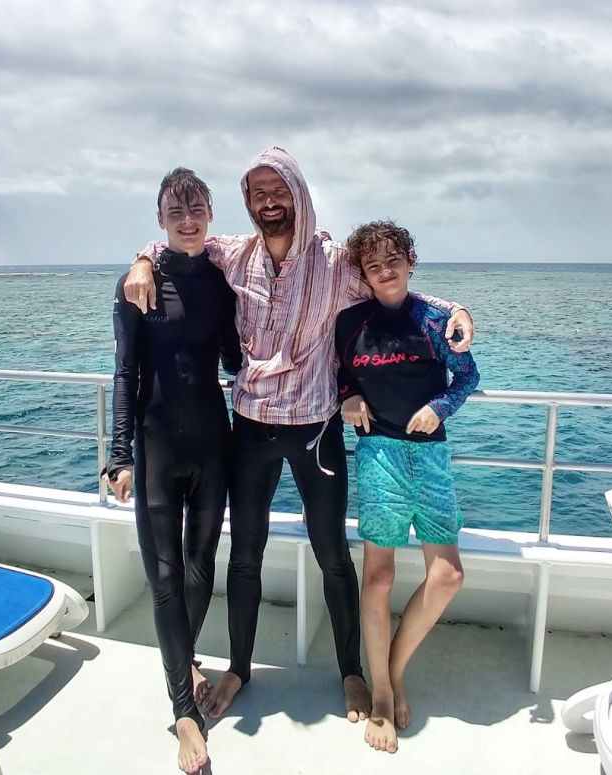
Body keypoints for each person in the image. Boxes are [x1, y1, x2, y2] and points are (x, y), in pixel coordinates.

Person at [123, 147, 475, 722]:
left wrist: (453, 307)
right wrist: (141, 259)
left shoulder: (336, 263)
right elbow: (176, 246)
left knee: (334, 555)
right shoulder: (234, 255)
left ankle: (352, 672)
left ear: (299, 194)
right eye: (257, 192)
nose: (268, 201)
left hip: (316, 430)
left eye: (278, 189)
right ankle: (238, 668)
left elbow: (395, 294)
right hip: (252, 429)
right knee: (245, 557)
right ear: (245, 203)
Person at [102, 167, 241, 775]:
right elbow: (125, 372)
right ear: (160, 219)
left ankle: (182, 659)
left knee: (201, 567)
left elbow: (236, 356)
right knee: (163, 577)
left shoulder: (223, 277)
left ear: (210, 214)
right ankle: (185, 712)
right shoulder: (138, 283)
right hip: (157, 445)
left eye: (197, 210)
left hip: (214, 441)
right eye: (176, 212)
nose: (188, 220)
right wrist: (119, 453)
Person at [335, 220, 479, 753]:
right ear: (364, 274)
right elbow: (337, 375)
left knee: (447, 576)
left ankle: (392, 669)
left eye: (394, 260)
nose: (385, 270)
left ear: (409, 261)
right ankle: (379, 694)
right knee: (379, 578)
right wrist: (347, 396)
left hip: (431, 455)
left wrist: (436, 407)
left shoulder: (437, 319)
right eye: (374, 265)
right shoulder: (350, 321)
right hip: (378, 456)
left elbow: (467, 377)